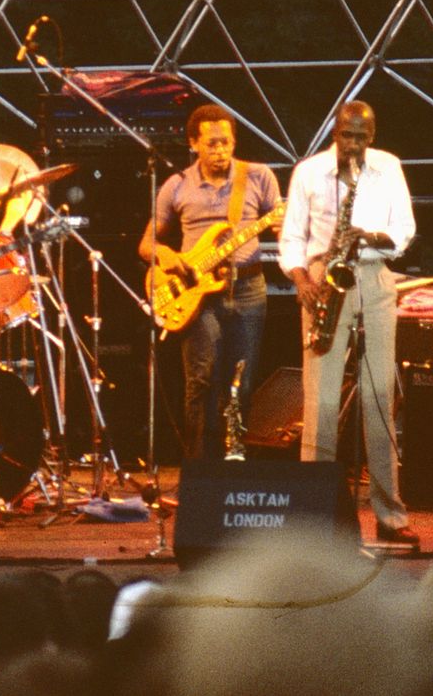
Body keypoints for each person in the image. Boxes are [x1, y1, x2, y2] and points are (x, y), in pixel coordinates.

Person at [278, 101, 418, 546]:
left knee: (378, 399)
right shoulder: (308, 171)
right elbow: (292, 235)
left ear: (371, 136)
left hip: (374, 274)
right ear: (334, 132)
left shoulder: (388, 167)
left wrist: (371, 236)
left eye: (359, 137)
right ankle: (315, 517)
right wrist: (301, 279)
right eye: (344, 136)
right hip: (324, 277)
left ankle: (390, 516)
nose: (351, 146)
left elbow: (405, 229)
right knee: (319, 403)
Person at [138, 104, 282, 461]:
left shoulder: (258, 176)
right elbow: (146, 244)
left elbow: (281, 224)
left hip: (248, 287)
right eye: (212, 144)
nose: (220, 151)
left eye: (226, 143)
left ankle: (234, 466)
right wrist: (166, 256)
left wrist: (290, 226)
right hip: (195, 293)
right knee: (202, 380)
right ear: (193, 144)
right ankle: (200, 471)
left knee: (242, 384)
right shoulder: (176, 185)